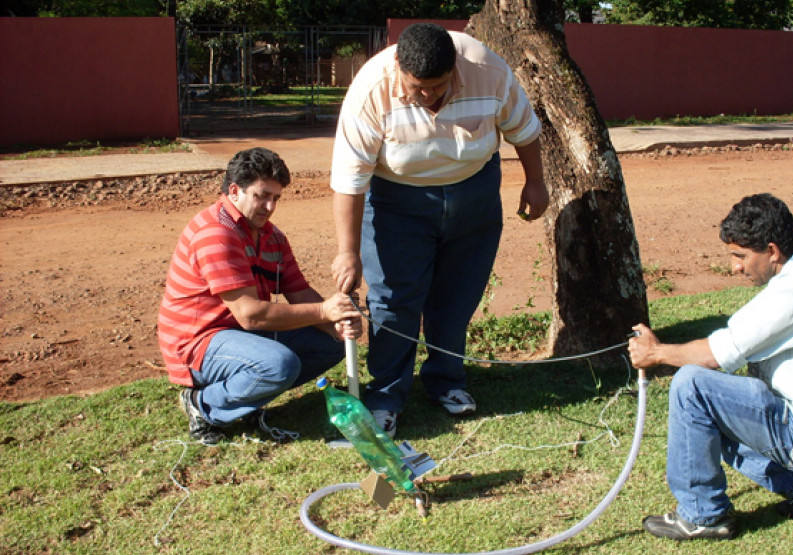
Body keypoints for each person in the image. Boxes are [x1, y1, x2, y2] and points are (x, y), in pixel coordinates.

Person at [330, 22, 549, 437]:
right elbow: (349, 177)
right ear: (398, 68)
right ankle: (386, 397)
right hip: (397, 200)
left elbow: (524, 128)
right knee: (394, 300)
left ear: (456, 70)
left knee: (457, 294)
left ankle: (447, 382)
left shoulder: (488, 69)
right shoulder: (370, 90)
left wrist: (535, 181)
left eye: (438, 86)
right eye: (418, 87)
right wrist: (348, 251)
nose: (428, 95)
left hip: (474, 192)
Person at [628, 193, 793, 541]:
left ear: (772, 251)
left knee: (692, 385)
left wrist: (657, 353)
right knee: (711, 407)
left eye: (740, 256)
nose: (735, 267)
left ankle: (703, 515)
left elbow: (715, 355)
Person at [158, 147, 362, 444]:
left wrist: (338, 324)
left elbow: (298, 291)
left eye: (276, 198)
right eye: (261, 196)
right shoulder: (215, 233)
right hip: (198, 343)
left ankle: (246, 399)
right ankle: (203, 405)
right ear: (234, 191)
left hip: (239, 335)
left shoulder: (272, 236)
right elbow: (250, 315)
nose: (269, 207)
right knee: (278, 365)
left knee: (332, 343)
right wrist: (323, 312)